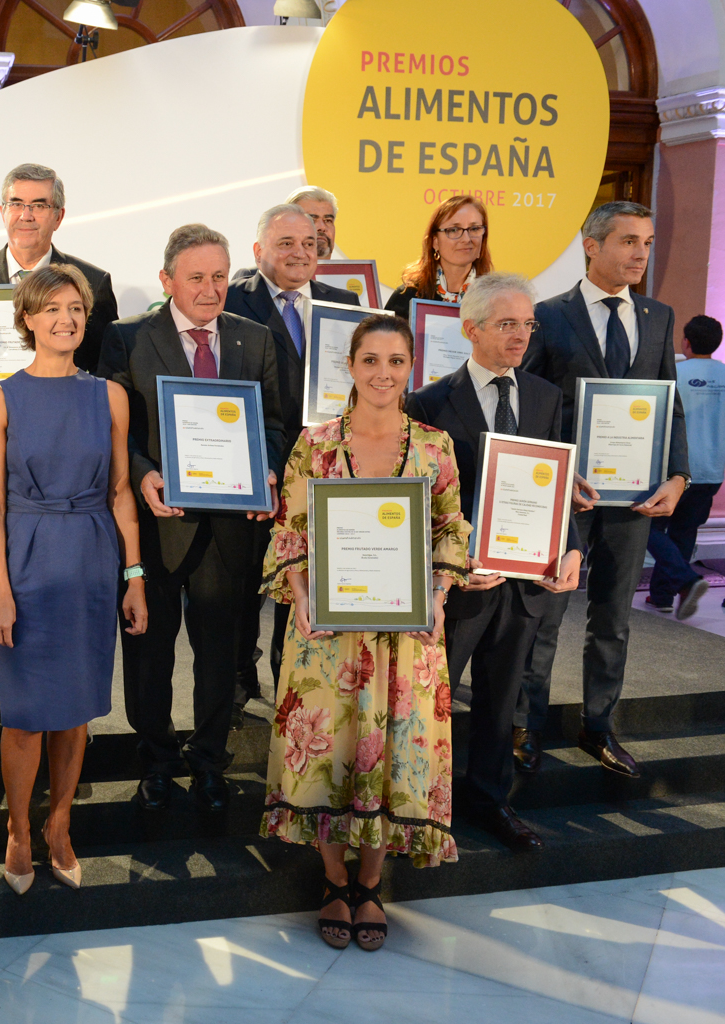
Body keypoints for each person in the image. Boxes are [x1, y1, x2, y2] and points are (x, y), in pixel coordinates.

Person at [261, 314, 468, 952]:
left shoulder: (435, 445)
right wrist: (298, 596)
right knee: (327, 751)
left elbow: (450, 530)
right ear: (350, 367)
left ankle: (371, 885)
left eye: (396, 362)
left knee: (395, 748)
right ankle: (331, 880)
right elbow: (290, 528)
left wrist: (435, 595)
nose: (383, 374)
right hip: (328, 635)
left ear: (412, 369)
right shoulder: (315, 443)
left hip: (405, 637)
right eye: (371, 361)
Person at [98, 224, 282, 813]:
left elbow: (275, 424)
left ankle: (208, 761)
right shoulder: (125, 338)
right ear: (167, 280)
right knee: (149, 653)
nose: (210, 289)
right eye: (197, 277)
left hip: (231, 528)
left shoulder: (255, 339)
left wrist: (269, 469)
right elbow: (111, 430)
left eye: (220, 276)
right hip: (156, 524)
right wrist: (144, 471)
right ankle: (155, 761)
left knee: (220, 656)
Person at [0, 163, 119, 744]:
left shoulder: (95, 279)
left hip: (67, 455)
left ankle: (62, 720)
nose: (26, 214)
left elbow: (104, 375)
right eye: (17, 202)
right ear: (3, 210)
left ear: (57, 215)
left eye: (39, 204)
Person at [0, 264, 146, 893]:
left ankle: (60, 826)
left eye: (75, 308)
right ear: (26, 319)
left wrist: (134, 576)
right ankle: (19, 829)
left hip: (91, 562)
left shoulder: (110, 395)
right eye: (51, 309)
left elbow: (122, 492)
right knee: (23, 714)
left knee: (75, 711)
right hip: (24, 561)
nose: (66, 319)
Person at [405, 273, 583, 853]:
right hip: (458, 585)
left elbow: (553, 483)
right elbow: (418, 499)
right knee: (432, 698)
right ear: (471, 328)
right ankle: (420, 804)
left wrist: (572, 545)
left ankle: (490, 801)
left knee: (501, 702)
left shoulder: (543, 396)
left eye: (527, 324)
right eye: (507, 324)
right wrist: (447, 563)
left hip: (524, 581)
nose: (521, 336)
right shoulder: (428, 402)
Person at [519, 201, 689, 779]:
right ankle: (525, 727)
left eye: (646, 241)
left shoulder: (659, 315)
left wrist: (679, 475)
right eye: (628, 241)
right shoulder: (548, 315)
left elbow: (671, 400)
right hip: (566, 493)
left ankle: (600, 726)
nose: (641, 253)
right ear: (592, 246)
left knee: (613, 617)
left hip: (635, 496)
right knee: (545, 615)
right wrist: (554, 473)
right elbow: (531, 404)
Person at [223, 205, 358, 702]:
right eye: (286, 244)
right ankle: (238, 673)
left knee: (305, 574)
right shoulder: (232, 299)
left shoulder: (343, 304)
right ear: (258, 251)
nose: (301, 252)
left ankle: (290, 675)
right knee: (245, 578)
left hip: (324, 467)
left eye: (309, 242)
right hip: (256, 461)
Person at [645, 315, 725, 616]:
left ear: (685, 341)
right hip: (712, 468)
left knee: (647, 526)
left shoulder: (674, 371)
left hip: (671, 468)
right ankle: (665, 595)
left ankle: (681, 583)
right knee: (685, 533)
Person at [384, 195, 494, 316]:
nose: (466, 239)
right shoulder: (407, 298)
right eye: (453, 230)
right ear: (435, 241)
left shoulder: (494, 299)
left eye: (474, 229)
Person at [286, 185, 339, 259]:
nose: (322, 227)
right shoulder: (272, 270)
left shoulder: (355, 270)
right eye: (312, 220)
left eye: (328, 220)